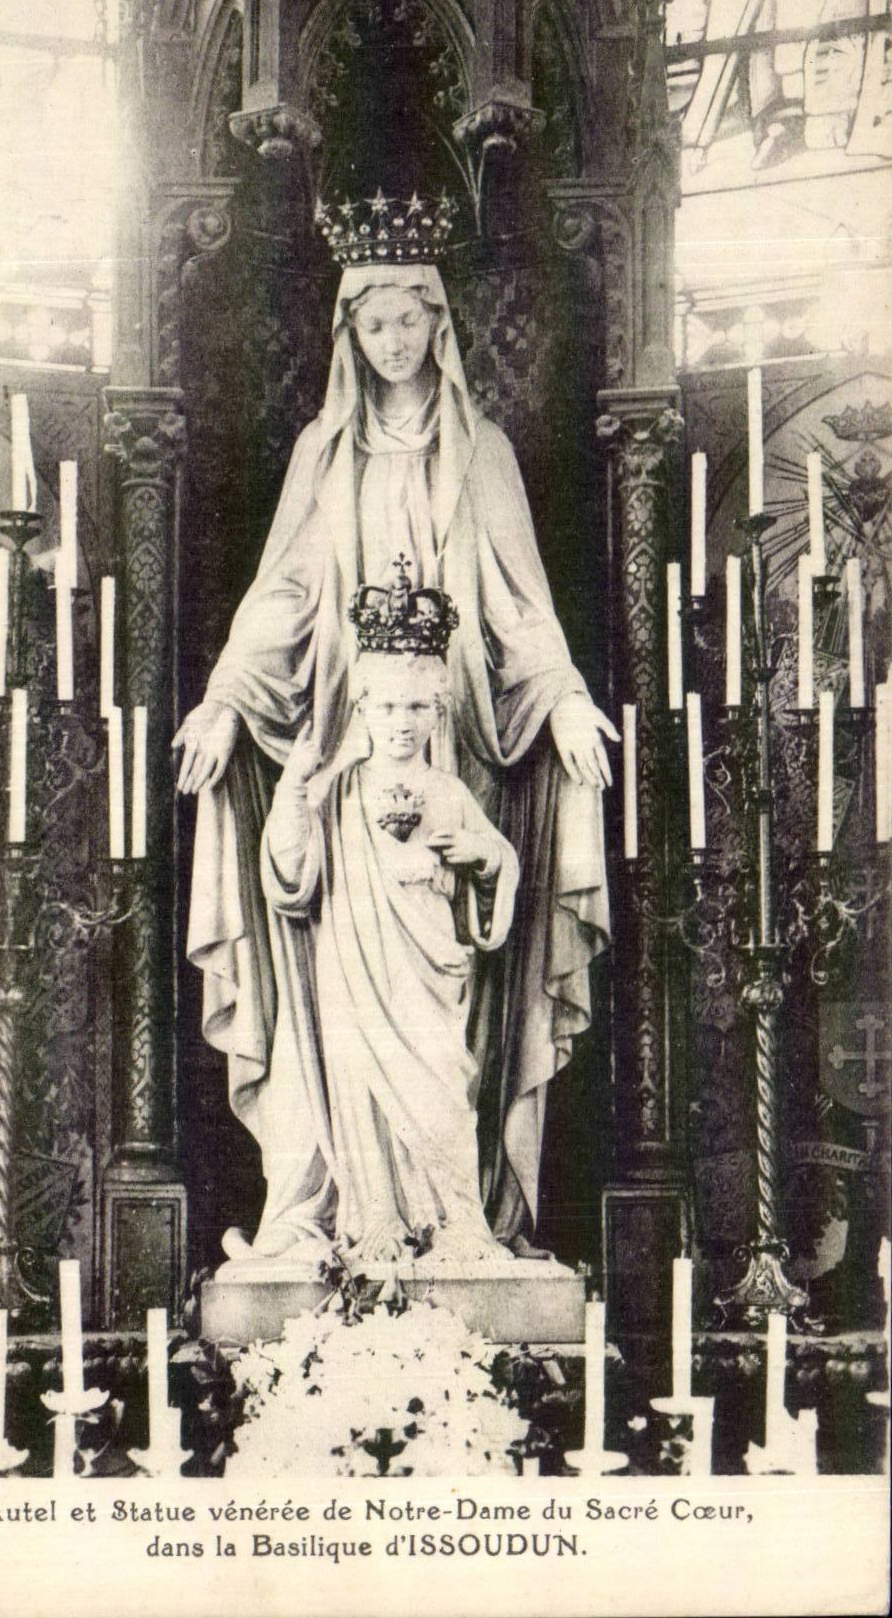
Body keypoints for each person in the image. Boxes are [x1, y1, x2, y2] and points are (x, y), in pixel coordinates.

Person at [174, 228, 615, 1259]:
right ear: (347, 331)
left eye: (408, 319)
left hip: (460, 746)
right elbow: (281, 598)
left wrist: (560, 701)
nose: (390, 340)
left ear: (439, 323)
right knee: (338, 997)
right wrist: (230, 701)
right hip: (342, 748)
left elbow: (520, 606)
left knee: (449, 1002)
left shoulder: (485, 453)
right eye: (370, 323)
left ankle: (455, 1218)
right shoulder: (320, 455)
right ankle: (333, 1208)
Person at [258, 573, 519, 1264]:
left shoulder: (450, 791)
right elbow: (291, 876)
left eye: (416, 707)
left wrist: (483, 857)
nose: (402, 721)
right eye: (388, 706)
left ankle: (454, 1221)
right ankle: (374, 1222)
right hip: (355, 975)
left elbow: (498, 865)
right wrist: (291, 791)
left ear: (437, 711)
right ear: (364, 709)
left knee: (441, 1086)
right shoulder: (337, 789)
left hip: (429, 979)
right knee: (363, 1095)